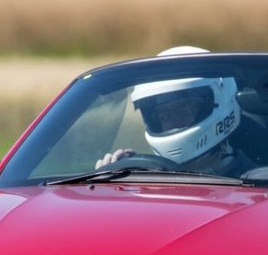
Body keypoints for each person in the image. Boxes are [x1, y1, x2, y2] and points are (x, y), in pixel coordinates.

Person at [95, 47, 258, 175]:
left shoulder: (260, 182)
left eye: (184, 112)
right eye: (163, 116)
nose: (172, 123)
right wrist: (108, 180)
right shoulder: (146, 178)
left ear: (220, 101)